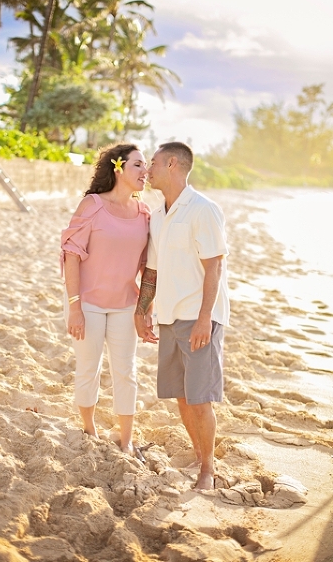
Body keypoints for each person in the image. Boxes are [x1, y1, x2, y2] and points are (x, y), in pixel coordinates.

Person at [134, 141, 230, 491]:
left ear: (172, 164)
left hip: (199, 317)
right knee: (183, 396)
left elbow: (214, 267)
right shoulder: (158, 216)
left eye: (154, 163)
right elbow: (152, 271)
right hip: (169, 318)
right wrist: (142, 309)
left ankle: (208, 468)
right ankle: (199, 454)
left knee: (200, 397)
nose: (148, 170)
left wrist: (205, 318)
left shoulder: (203, 209)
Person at [60, 143, 150, 457]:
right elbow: (71, 254)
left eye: (146, 165)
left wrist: (145, 309)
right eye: (138, 165)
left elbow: (149, 264)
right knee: (89, 367)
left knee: (126, 371)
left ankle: (126, 439)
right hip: (87, 303)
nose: (145, 171)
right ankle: (89, 429)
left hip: (126, 303)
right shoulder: (92, 205)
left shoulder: (144, 213)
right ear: (118, 168)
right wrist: (74, 307)